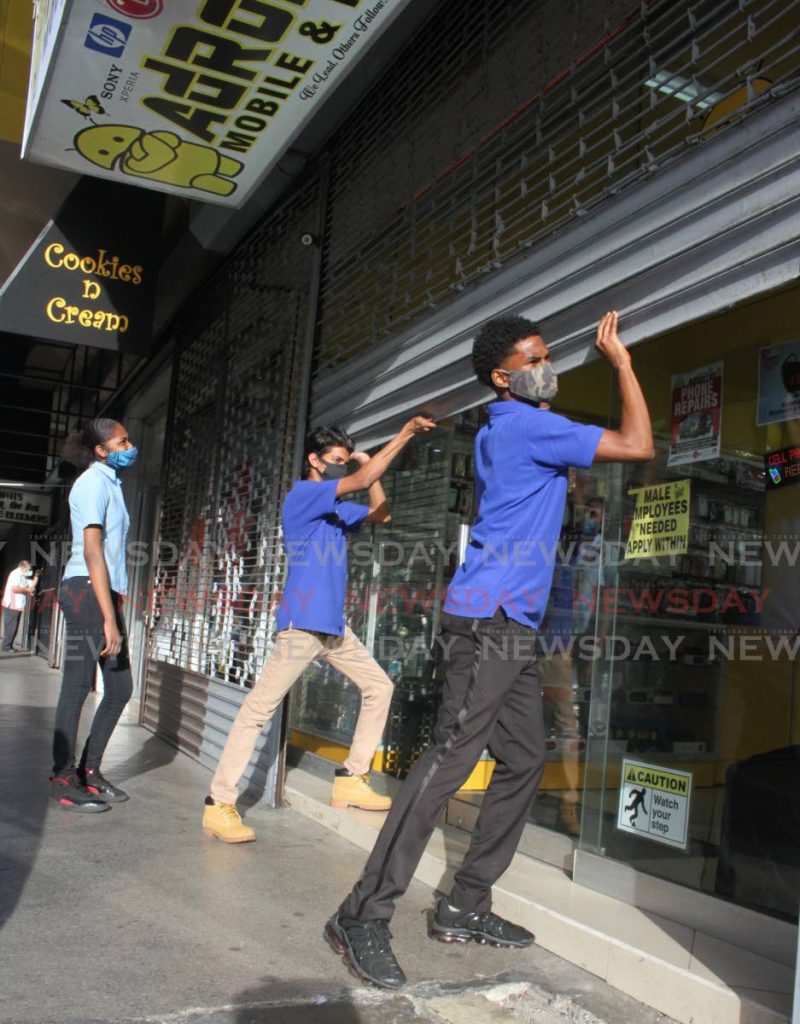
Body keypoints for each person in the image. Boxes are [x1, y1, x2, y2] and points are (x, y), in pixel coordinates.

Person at [326, 310, 654, 988]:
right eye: (533, 359)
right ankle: (361, 914)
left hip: (513, 621)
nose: (547, 367)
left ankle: (465, 902)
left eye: (545, 353)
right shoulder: (530, 426)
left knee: (526, 758)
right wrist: (620, 362)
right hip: (491, 621)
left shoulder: (496, 430)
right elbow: (639, 443)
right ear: (503, 377)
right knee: (449, 759)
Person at [202, 416, 436, 843]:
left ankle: (351, 777)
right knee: (257, 711)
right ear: (313, 460)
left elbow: (382, 514)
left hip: (332, 628)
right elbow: (364, 478)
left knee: (379, 687)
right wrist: (402, 436)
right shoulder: (305, 495)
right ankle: (219, 804)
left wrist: (365, 470)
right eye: (335, 461)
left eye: (345, 462)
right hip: (301, 626)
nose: (342, 468)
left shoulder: (334, 510)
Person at [50, 418, 137, 812]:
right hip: (85, 591)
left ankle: (90, 770)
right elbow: (91, 551)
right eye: (122, 441)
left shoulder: (111, 484)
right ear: (102, 450)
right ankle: (64, 778)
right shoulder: (91, 483)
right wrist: (107, 616)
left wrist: (114, 606)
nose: (130, 446)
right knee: (77, 685)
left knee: (119, 689)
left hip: (102, 594)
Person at [2, 560, 37, 651]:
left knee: (14, 626)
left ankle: (8, 645)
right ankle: (6, 646)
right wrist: (27, 590)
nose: (29, 571)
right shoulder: (15, 574)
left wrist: (36, 576)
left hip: (17, 605)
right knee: (11, 626)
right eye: (28, 569)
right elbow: (14, 588)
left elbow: (31, 586)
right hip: (11, 604)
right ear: (22, 567)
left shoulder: (23, 576)